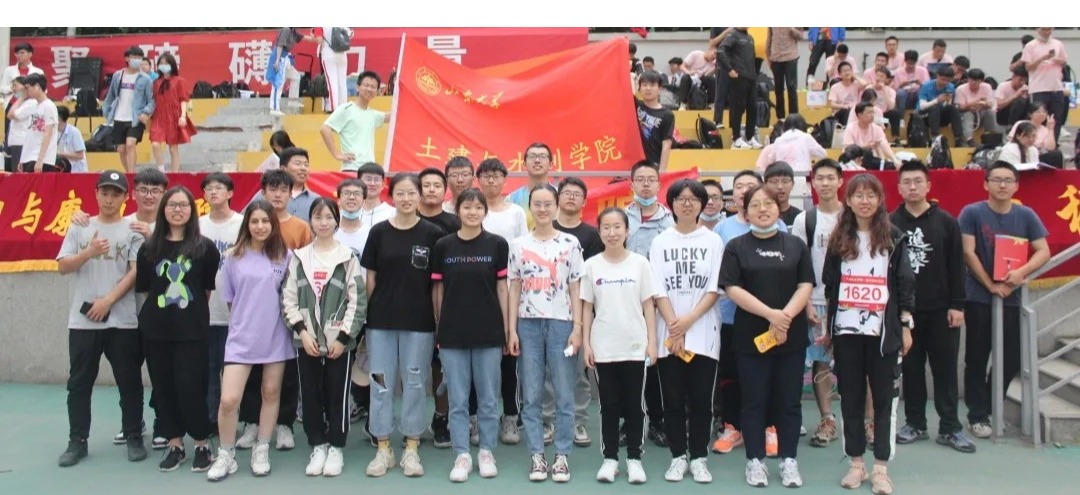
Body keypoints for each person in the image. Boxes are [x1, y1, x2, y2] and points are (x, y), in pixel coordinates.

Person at [823, 174, 915, 494]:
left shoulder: (894, 238)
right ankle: (856, 464)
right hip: (846, 332)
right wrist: (828, 329)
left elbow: (905, 284)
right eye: (858, 195)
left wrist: (906, 326)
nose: (865, 201)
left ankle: (881, 468)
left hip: (883, 333)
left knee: (884, 400)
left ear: (880, 200)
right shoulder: (838, 239)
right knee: (850, 397)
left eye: (871, 195)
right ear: (848, 200)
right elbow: (830, 285)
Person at [719, 184, 813, 488]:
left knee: (789, 402)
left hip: (791, 336)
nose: (763, 209)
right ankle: (755, 460)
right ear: (745, 211)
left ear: (778, 208)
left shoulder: (795, 245)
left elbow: (805, 285)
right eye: (755, 204)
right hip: (750, 338)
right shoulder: (736, 247)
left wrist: (784, 318)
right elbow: (732, 288)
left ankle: (789, 460)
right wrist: (771, 315)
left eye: (768, 203)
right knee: (753, 401)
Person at [56, 171, 147, 468]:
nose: (109, 199)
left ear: (125, 197)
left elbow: (135, 272)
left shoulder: (132, 230)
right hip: (83, 322)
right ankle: (77, 441)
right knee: (79, 383)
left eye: (115, 194)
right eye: (104, 193)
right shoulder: (80, 226)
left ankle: (134, 435)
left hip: (122, 320)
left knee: (129, 381)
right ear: (95, 193)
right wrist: (89, 252)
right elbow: (63, 266)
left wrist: (108, 301)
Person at [360, 173, 444, 477]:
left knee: (415, 382)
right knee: (380, 382)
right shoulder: (379, 232)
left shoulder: (433, 234)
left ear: (419, 196)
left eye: (411, 193)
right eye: (400, 193)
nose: (406, 199)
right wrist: (371, 314)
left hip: (419, 324)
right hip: (381, 323)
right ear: (391, 196)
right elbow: (370, 278)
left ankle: (411, 446)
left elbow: (436, 285)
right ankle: (383, 447)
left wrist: (438, 321)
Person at [959, 161, 1050, 439]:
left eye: (1008, 180)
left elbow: (1043, 250)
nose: (1002, 185)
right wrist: (990, 285)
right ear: (985, 184)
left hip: (1012, 296)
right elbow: (967, 252)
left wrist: (1020, 273)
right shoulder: (972, 212)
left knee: (1011, 357)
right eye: (996, 179)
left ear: (1016, 186)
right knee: (976, 356)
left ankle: (990, 406)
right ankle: (977, 414)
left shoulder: (1026, 215)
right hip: (978, 297)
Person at [889, 160, 975, 453]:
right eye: (907, 182)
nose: (912, 187)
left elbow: (957, 266)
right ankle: (915, 423)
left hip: (942, 310)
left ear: (928, 185)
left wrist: (957, 305)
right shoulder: (890, 223)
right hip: (905, 313)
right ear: (899, 188)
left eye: (918, 181)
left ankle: (950, 427)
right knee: (911, 369)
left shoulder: (947, 222)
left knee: (945, 369)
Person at [205, 200, 294, 481]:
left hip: (276, 337)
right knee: (229, 399)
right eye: (254, 221)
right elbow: (231, 300)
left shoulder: (285, 256)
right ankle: (226, 454)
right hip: (241, 340)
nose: (260, 226)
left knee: (271, 392)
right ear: (247, 225)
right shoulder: (232, 257)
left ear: (273, 224)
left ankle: (262, 448)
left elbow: (290, 297)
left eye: (265, 221)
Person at [135, 185, 220, 473]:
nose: (177, 210)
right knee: (164, 388)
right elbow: (146, 289)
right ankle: (175, 444)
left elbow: (206, 288)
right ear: (163, 210)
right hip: (156, 332)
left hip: (192, 332)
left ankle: (201, 443)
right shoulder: (149, 248)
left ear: (192, 210)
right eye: (172, 205)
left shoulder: (205, 248)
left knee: (191, 387)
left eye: (183, 205)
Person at [283, 198, 367, 477]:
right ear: (311, 221)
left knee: (337, 394)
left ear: (336, 221)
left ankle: (336, 447)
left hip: (338, 342)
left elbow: (358, 301)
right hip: (306, 340)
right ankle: (317, 445)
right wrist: (302, 332)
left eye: (329, 217)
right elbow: (288, 299)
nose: (323, 222)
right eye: (318, 217)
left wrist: (343, 338)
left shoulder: (348, 257)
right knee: (309, 394)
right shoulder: (299, 257)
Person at [432, 188, 510, 482]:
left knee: (488, 398)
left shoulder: (497, 244)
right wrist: (439, 326)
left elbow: (502, 288)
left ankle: (486, 451)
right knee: (458, 399)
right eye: (467, 207)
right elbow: (438, 290)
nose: (473, 212)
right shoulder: (443, 246)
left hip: (489, 331)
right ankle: (462, 454)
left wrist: (507, 329)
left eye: (478, 207)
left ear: (485, 212)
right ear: (457, 210)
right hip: (452, 332)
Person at [508, 185, 585, 483]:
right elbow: (514, 287)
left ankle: (562, 456)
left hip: (562, 324)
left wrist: (577, 327)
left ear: (556, 206)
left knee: (565, 393)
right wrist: (511, 329)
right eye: (537, 204)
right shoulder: (518, 245)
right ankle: (537, 455)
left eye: (547, 204)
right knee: (531, 394)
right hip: (527, 325)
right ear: (530, 207)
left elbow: (576, 287)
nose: (542, 209)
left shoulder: (570, 243)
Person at [649, 179, 723, 484]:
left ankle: (699, 457)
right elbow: (657, 288)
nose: (687, 203)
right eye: (680, 198)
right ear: (672, 204)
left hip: (703, 333)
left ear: (702, 204)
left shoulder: (713, 241)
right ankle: (678, 456)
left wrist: (687, 322)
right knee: (673, 400)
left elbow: (714, 288)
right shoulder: (660, 242)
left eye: (693, 198)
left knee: (702, 399)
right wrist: (675, 327)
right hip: (669, 334)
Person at [711, 170, 789, 457]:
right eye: (739, 186)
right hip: (731, 317)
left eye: (751, 186)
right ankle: (732, 426)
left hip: (770, 319)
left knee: (769, 376)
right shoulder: (722, 229)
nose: (745, 190)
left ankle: (770, 427)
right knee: (731, 375)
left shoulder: (779, 226)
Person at [582, 207, 658, 484]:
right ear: (599, 231)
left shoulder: (640, 263)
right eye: (606, 227)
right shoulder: (591, 266)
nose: (612, 233)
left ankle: (635, 458)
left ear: (627, 231)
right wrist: (587, 344)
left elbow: (648, 305)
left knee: (635, 405)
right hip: (604, 346)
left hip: (635, 346)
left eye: (617, 227)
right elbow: (587, 307)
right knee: (609, 405)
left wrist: (652, 343)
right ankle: (610, 458)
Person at [790, 159, 845, 449]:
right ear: (812, 183)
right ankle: (827, 419)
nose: (825, 183)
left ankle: (869, 422)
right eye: (819, 178)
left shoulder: (853, 216)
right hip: (817, 301)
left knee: (861, 365)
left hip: (851, 302)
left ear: (840, 181)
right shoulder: (805, 220)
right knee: (821, 362)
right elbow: (800, 264)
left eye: (830, 178)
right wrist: (808, 303)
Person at [550, 176, 602, 447]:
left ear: (584, 201)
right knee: (548, 371)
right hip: (548, 309)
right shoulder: (546, 229)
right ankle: (548, 420)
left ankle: (578, 420)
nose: (571, 197)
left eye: (576, 194)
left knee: (579, 370)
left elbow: (590, 278)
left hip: (581, 311)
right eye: (566, 192)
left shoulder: (592, 236)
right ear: (557, 198)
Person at [626, 160, 673, 447]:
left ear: (659, 184)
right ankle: (629, 422)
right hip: (626, 304)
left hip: (658, 305)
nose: (645, 184)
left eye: (650, 179)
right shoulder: (621, 218)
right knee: (628, 365)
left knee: (655, 367)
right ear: (631, 183)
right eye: (640, 179)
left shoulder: (669, 222)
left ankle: (657, 421)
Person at [198, 173, 244, 439]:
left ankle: (235, 422)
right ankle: (210, 422)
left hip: (234, 314)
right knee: (207, 372)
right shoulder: (197, 225)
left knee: (233, 374)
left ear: (230, 193)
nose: (213, 192)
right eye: (208, 188)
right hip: (204, 313)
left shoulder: (242, 224)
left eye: (219, 187)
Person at [332, 179, 374, 425]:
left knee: (368, 362)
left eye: (356, 194)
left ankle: (368, 408)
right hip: (336, 311)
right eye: (346, 193)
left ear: (364, 200)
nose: (351, 197)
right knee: (339, 360)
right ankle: (339, 409)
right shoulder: (329, 232)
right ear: (338, 199)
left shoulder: (373, 233)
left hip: (366, 308)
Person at [103, 46, 156, 173]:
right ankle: (128, 173)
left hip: (135, 118)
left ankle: (132, 174)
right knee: (121, 149)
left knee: (130, 144)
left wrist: (146, 112)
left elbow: (152, 99)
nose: (137, 60)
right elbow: (110, 96)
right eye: (134, 57)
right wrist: (106, 111)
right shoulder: (118, 76)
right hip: (119, 117)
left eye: (139, 57)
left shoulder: (145, 79)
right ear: (127, 58)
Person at [321, 71, 386, 172]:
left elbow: (393, 115)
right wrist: (336, 154)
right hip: (351, 168)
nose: (369, 89)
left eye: (373, 87)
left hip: (368, 169)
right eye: (366, 85)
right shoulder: (347, 109)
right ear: (358, 87)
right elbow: (324, 129)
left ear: (377, 91)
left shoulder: (373, 115)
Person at [1020, 28, 1068, 141]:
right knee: (1037, 119)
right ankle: (1036, 143)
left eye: (1049, 29)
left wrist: (1058, 60)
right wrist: (1042, 58)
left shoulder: (1058, 43)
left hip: (1056, 88)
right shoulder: (1030, 46)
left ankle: (1053, 144)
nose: (1047, 32)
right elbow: (1028, 67)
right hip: (1038, 89)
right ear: (1037, 29)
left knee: (1056, 120)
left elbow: (1064, 62)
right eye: (1044, 30)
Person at [719, 28, 762, 150]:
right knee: (737, 107)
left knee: (752, 107)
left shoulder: (750, 38)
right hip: (738, 76)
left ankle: (749, 137)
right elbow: (721, 51)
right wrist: (730, 69)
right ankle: (736, 139)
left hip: (751, 77)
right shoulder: (733, 35)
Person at [149, 53, 194, 172]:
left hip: (173, 116)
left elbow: (183, 99)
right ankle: (161, 171)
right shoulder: (156, 82)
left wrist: (183, 116)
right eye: (161, 63)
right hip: (159, 116)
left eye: (166, 63)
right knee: (155, 143)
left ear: (172, 65)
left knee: (173, 148)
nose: (163, 65)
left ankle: (175, 173)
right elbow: (153, 100)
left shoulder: (179, 81)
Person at [754, 114, 826, 173]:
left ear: (784, 127)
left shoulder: (779, 140)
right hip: (803, 175)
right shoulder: (806, 137)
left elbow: (771, 160)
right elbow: (823, 154)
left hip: (783, 176)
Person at [16, 73, 59, 172]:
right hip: (30, 157)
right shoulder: (34, 106)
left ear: (37, 87)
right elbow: (30, 135)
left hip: (41, 159)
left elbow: (48, 133)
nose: (26, 91)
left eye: (27, 88)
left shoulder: (49, 106)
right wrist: (23, 158)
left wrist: (40, 160)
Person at [507, 142, 556, 229]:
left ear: (551, 164)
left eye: (542, 157)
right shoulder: (512, 199)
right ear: (524, 164)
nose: (537, 160)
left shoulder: (560, 196)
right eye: (532, 156)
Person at [267, 27, 315, 115]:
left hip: (286, 58)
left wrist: (314, 35)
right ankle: (274, 108)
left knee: (296, 77)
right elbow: (280, 45)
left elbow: (308, 39)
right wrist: (277, 61)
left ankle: (293, 101)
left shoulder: (294, 33)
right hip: (279, 57)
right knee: (278, 83)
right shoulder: (286, 30)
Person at [635, 71, 675, 168]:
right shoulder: (635, 105)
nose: (648, 88)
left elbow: (666, 144)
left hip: (653, 166)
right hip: (634, 165)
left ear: (660, 88)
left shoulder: (667, 115)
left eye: (652, 85)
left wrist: (662, 171)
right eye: (644, 85)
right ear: (639, 88)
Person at [844, 102, 899, 167]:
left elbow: (884, 144)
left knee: (891, 165)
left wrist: (894, 159)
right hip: (854, 160)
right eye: (869, 113)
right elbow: (849, 149)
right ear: (859, 115)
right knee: (867, 152)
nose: (872, 115)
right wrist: (866, 146)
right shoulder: (850, 128)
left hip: (873, 159)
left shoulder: (877, 128)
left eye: (873, 112)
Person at [917, 66, 963, 143]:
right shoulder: (926, 86)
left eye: (948, 80)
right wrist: (937, 100)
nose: (944, 83)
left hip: (940, 114)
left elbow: (948, 105)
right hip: (925, 115)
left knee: (953, 108)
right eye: (942, 79)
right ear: (937, 76)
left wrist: (947, 101)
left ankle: (959, 138)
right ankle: (935, 137)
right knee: (935, 107)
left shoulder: (950, 87)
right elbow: (922, 107)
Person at [312, 27, 352, 112]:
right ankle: (343, 107)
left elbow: (319, 40)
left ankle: (334, 108)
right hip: (342, 54)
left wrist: (312, 35)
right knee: (342, 83)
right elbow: (350, 34)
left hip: (328, 54)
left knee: (332, 83)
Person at [766, 27, 803, 119]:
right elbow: (769, 37)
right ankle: (780, 118)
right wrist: (768, 56)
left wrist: (791, 28)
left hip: (791, 57)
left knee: (791, 87)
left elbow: (800, 36)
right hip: (775, 58)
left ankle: (793, 117)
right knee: (778, 89)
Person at [418, 167, 462, 234]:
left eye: (437, 186)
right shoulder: (410, 221)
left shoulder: (457, 223)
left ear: (445, 190)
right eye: (426, 185)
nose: (432, 190)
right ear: (417, 190)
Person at [4, 76, 30, 173]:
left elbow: (10, 115)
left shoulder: (30, 103)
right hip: (15, 142)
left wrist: (22, 97)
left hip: (21, 142)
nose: (13, 89)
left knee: (19, 173)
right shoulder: (20, 103)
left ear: (25, 87)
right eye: (12, 86)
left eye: (15, 86)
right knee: (14, 172)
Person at [356, 162, 395, 226]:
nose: (372, 183)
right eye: (368, 179)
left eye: (376, 180)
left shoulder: (393, 213)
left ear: (383, 184)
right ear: (358, 182)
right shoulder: (350, 212)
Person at [764, 161, 802, 227]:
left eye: (785, 181)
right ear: (765, 185)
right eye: (774, 182)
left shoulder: (801, 217)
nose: (780, 187)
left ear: (793, 184)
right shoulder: (760, 215)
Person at [55, 106, 88, 173]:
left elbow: (80, 155)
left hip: (77, 171)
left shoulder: (74, 132)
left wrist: (59, 153)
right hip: (64, 169)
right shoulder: (54, 131)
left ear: (59, 118)